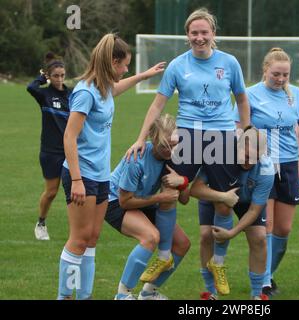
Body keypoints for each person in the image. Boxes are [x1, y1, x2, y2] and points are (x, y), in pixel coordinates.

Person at [127, 8, 250, 296]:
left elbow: (243, 100)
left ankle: (218, 263)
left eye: (204, 32)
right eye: (194, 33)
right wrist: (139, 138)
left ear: (213, 34)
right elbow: (158, 105)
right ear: (187, 36)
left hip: (221, 137)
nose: (199, 37)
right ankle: (165, 254)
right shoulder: (178, 66)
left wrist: (247, 133)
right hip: (189, 137)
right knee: (170, 194)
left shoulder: (230, 63)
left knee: (224, 204)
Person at [57, 33, 165, 300]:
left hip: (101, 176)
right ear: (112, 62)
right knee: (79, 239)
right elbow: (69, 136)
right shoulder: (85, 91)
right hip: (81, 175)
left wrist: (143, 76)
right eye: (124, 64)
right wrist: (78, 180)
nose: (126, 69)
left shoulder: (103, 88)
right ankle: (64, 296)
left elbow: (115, 90)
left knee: (92, 239)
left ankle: (84, 296)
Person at [241, 48, 299, 296]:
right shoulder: (249, 94)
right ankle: (263, 283)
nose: (281, 79)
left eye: (285, 75)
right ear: (265, 70)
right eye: (276, 74)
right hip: (262, 166)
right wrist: (249, 154)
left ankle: (267, 273)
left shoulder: (297, 95)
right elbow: (237, 127)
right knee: (268, 226)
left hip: (289, 166)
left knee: (284, 230)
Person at [104, 114, 191, 300]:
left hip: (146, 199)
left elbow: (184, 199)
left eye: (173, 145)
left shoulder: (176, 154)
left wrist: (182, 182)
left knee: (182, 244)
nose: (170, 151)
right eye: (164, 146)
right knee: (150, 237)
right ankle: (123, 293)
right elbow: (124, 201)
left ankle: (149, 292)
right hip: (114, 201)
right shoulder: (136, 159)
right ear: (153, 138)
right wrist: (161, 196)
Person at [190, 126, 274, 300]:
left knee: (259, 237)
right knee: (206, 236)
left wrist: (232, 233)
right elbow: (196, 189)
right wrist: (223, 196)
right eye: (247, 156)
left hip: (247, 201)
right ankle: (211, 292)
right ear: (238, 146)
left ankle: (257, 295)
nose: (250, 162)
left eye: (255, 158)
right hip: (216, 194)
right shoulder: (219, 155)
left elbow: (255, 209)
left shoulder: (266, 168)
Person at [27, 52, 72, 240]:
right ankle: (41, 223)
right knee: (52, 192)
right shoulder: (44, 94)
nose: (59, 79)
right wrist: (41, 78)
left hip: (71, 151)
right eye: (55, 76)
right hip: (50, 152)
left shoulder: (72, 94)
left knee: (75, 191)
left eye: (62, 75)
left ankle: (77, 229)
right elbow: (31, 87)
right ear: (49, 76)